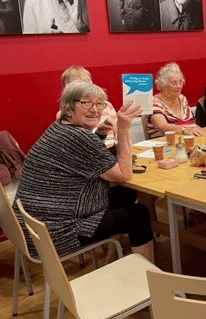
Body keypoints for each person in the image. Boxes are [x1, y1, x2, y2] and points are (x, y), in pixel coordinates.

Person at [13, 81, 155, 262]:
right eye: (86, 103)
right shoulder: (78, 137)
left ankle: (114, 258)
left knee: (126, 194)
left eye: (99, 104)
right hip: (59, 230)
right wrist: (123, 129)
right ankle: (147, 278)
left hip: (38, 220)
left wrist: (100, 134)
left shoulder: (60, 127)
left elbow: (85, 158)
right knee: (139, 214)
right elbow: (123, 175)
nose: (95, 109)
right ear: (69, 109)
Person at [57, 66, 118, 143]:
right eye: (79, 84)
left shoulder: (107, 105)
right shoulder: (65, 114)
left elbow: (117, 128)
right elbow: (79, 143)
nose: (94, 110)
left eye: (87, 82)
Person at [148, 63, 203, 138]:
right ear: (163, 85)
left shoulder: (182, 98)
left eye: (180, 82)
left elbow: (191, 122)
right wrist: (183, 129)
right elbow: (161, 126)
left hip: (186, 140)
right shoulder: (153, 102)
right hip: (164, 142)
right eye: (174, 83)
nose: (179, 86)